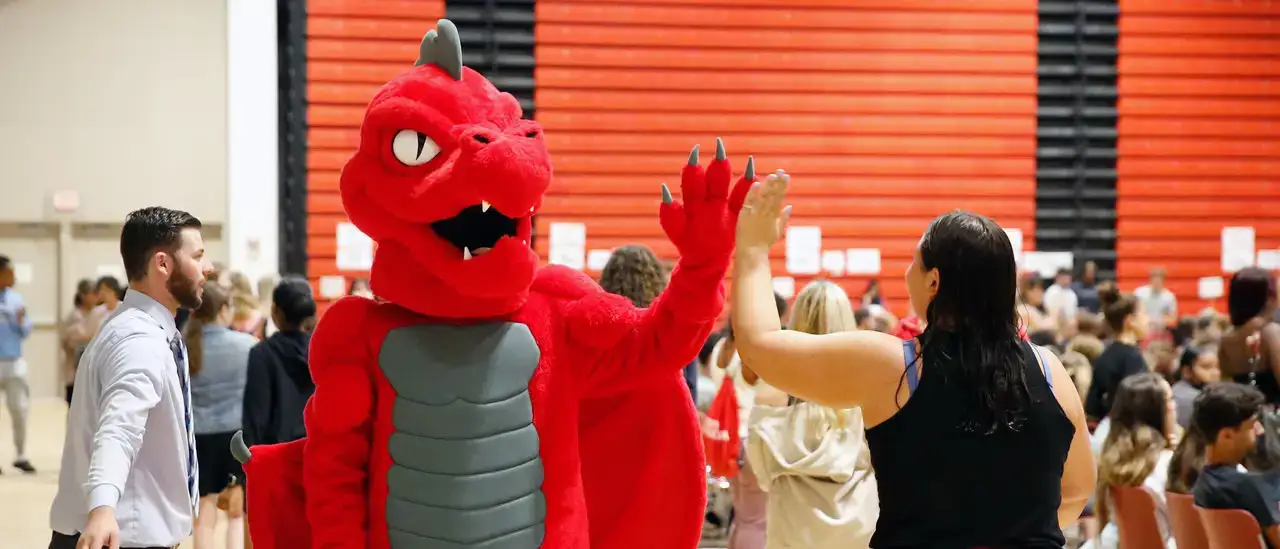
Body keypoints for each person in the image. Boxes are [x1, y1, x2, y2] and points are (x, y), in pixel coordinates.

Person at [731, 172, 1093, 548]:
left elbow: (759, 346)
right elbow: (1076, 492)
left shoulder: (893, 367)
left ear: (933, 282)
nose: (907, 274)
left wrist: (753, 250)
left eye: (913, 263)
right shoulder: (1052, 372)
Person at [48, 206, 211, 549]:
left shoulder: (134, 325)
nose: (207, 268)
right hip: (117, 537)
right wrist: (103, 509)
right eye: (197, 257)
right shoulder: (139, 340)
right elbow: (119, 428)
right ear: (163, 264)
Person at [744, 280, 878, 549]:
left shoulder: (772, 390)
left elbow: (761, 471)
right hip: (859, 521)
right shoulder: (871, 386)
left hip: (792, 523)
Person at [185, 283, 256, 549]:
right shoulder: (247, 345)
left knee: (204, 512)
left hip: (199, 437)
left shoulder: (183, 346)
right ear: (223, 310)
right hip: (235, 438)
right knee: (236, 511)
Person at [1084, 373, 1178, 549]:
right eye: (1170, 399)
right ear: (1158, 412)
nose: (1175, 406)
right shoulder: (1169, 465)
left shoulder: (1112, 460)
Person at [1191, 382, 1280, 549]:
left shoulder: (1200, 483)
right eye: (1252, 425)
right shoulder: (1246, 486)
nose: (1259, 430)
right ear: (1227, 436)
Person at [240, 276, 317, 448]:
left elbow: (256, 416)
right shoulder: (323, 351)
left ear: (275, 312)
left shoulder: (262, 353)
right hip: (317, 451)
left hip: (277, 454)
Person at [1085, 286, 1150, 424]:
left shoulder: (1104, 356)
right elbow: (1140, 408)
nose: (1148, 320)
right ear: (1130, 321)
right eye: (1144, 314)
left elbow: (1092, 406)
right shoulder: (1133, 359)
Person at [1219, 267, 1280, 402]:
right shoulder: (1271, 332)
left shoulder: (1226, 339)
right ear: (1269, 299)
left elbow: (1226, 388)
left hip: (1245, 412)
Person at [0, 254, 35, 474]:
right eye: (9, 272)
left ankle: (20, 455)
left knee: (19, 409)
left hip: (13, 361)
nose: (13, 277)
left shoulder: (16, 299)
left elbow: (25, 331)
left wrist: (21, 322)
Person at [60, 279, 98, 406]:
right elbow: (68, 340)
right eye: (92, 293)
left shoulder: (97, 314)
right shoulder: (73, 317)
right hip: (74, 372)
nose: (95, 297)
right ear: (83, 295)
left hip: (93, 374)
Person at [1172, 345, 1221, 429]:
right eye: (1206, 367)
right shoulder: (1195, 399)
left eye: (1217, 367)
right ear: (1187, 371)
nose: (1215, 373)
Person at [1135, 267, 1178, 337]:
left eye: (1159, 281)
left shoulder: (1169, 297)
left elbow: (1173, 319)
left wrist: (1159, 321)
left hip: (1160, 332)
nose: (1156, 283)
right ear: (1150, 280)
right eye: (1154, 280)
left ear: (1163, 281)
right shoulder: (1139, 293)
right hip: (1141, 329)